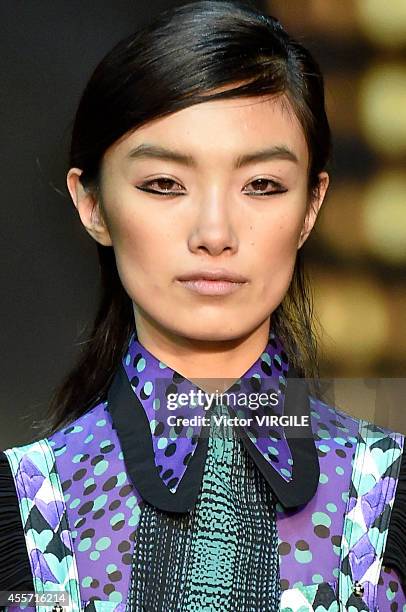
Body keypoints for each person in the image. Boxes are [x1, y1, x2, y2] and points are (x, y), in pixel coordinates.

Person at [1, 1, 405, 610]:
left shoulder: (386, 493)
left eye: (262, 185)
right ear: (91, 204)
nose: (214, 233)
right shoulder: (25, 504)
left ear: (311, 207)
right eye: (164, 184)